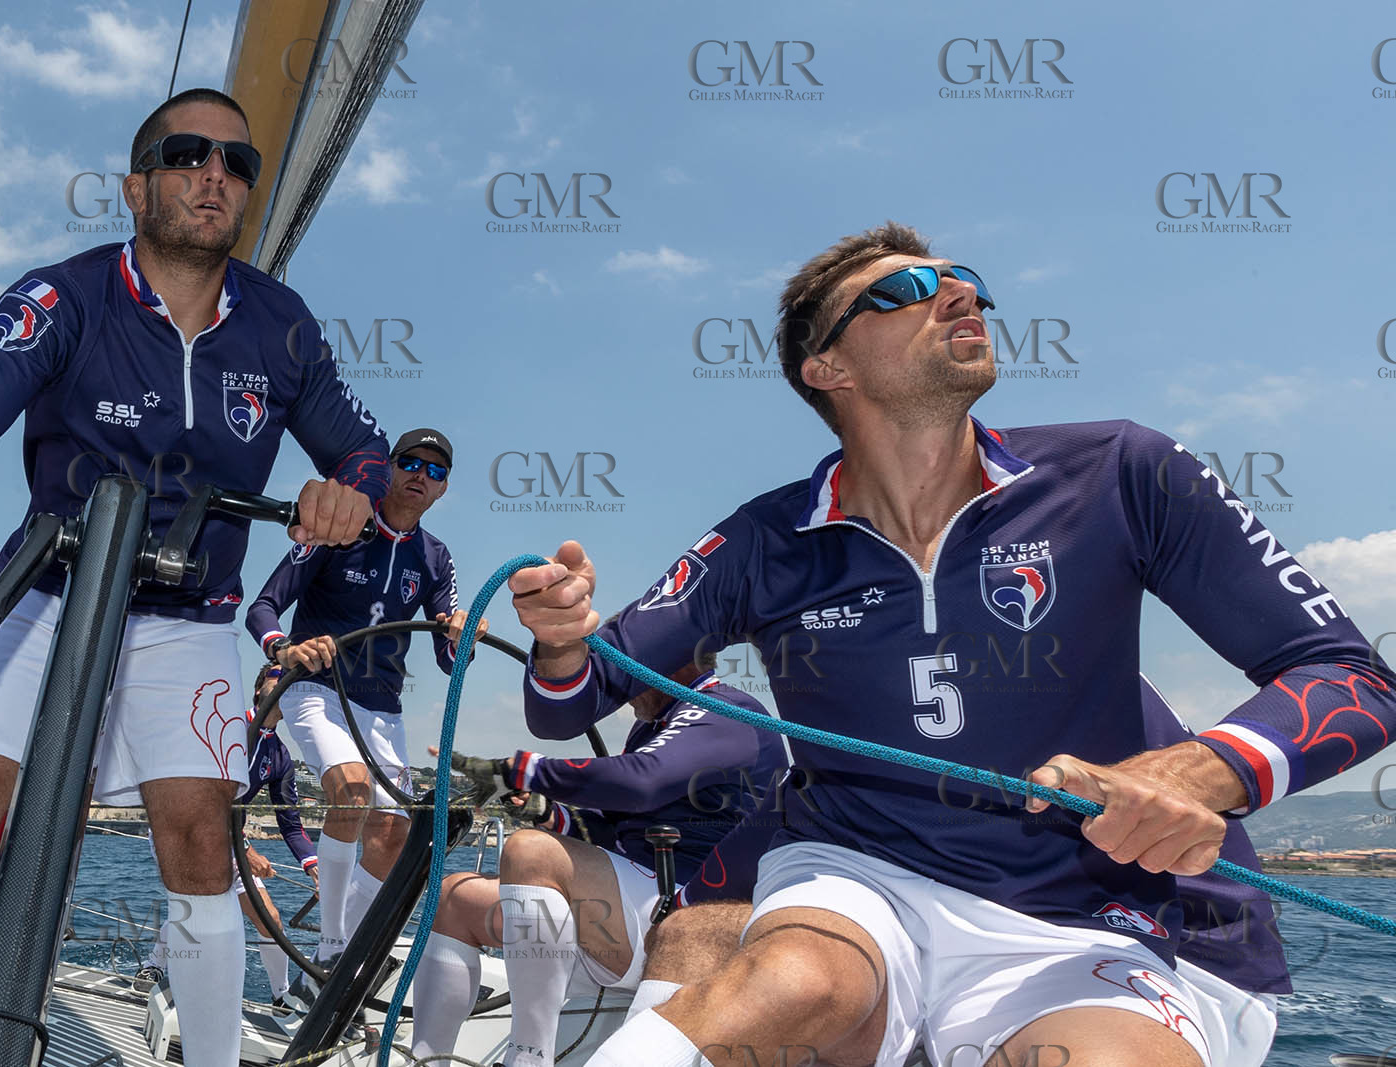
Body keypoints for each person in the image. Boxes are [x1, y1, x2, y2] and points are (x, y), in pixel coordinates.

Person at [508, 221, 1396, 1067]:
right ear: (828, 367)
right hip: (862, 877)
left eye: (967, 281)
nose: (960, 294)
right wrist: (557, 639)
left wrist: (1203, 770)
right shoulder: (761, 542)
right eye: (907, 290)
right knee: (791, 980)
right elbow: (570, 702)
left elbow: (1354, 676)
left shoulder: (1123, 472)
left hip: (1090, 907)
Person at [0, 87, 388, 1067]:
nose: (215, 175)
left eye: (238, 163)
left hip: (189, 618)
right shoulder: (64, 295)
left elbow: (366, 452)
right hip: (45, 591)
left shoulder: (282, 327)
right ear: (137, 184)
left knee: (199, 840)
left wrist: (348, 490)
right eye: (189, 154)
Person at [627, 676, 1290, 1065]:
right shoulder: (868, 702)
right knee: (699, 933)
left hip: (1180, 949)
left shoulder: (1053, 670)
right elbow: (806, 808)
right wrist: (684, 906)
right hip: (948, 920)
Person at [408, 651, 787, 1067]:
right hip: (629, 912)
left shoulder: (727, 711)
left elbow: (641, 780)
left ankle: (528, 1057)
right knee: (453, 898)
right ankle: (424, 1060)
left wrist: (522, 769)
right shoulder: (654, 726)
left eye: (624, 669)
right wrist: (549, 813)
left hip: (687, 920)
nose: (618, 688)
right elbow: (616, 826)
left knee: (529, 850)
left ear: (674, 658)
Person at [245, 428, 478, 971]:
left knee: (395, 833)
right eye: (411, 463)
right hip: (317, 689)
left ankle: (352, 941)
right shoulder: (341, 527)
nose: (422, 476)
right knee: (350, 792)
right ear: (391, 468)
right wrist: (284, 648)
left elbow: (449, 662)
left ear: (443, 489)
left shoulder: (436, 559)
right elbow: (263, 607)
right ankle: (330, 952)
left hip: (383, 708)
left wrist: (460, 634)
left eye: (436, 471)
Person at [138, 663, 320, 1010]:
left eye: (292, 680)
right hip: (181, 824)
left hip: (229, 839)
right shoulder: (225, 725)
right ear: (257, 690)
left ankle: (281, 996)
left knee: (270, 918)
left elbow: (290, 823)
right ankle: (154, 966)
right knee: (198, 909)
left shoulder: (279, 756)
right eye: (277, 676)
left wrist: (313, 866)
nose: (284, 683)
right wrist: (248, 850)